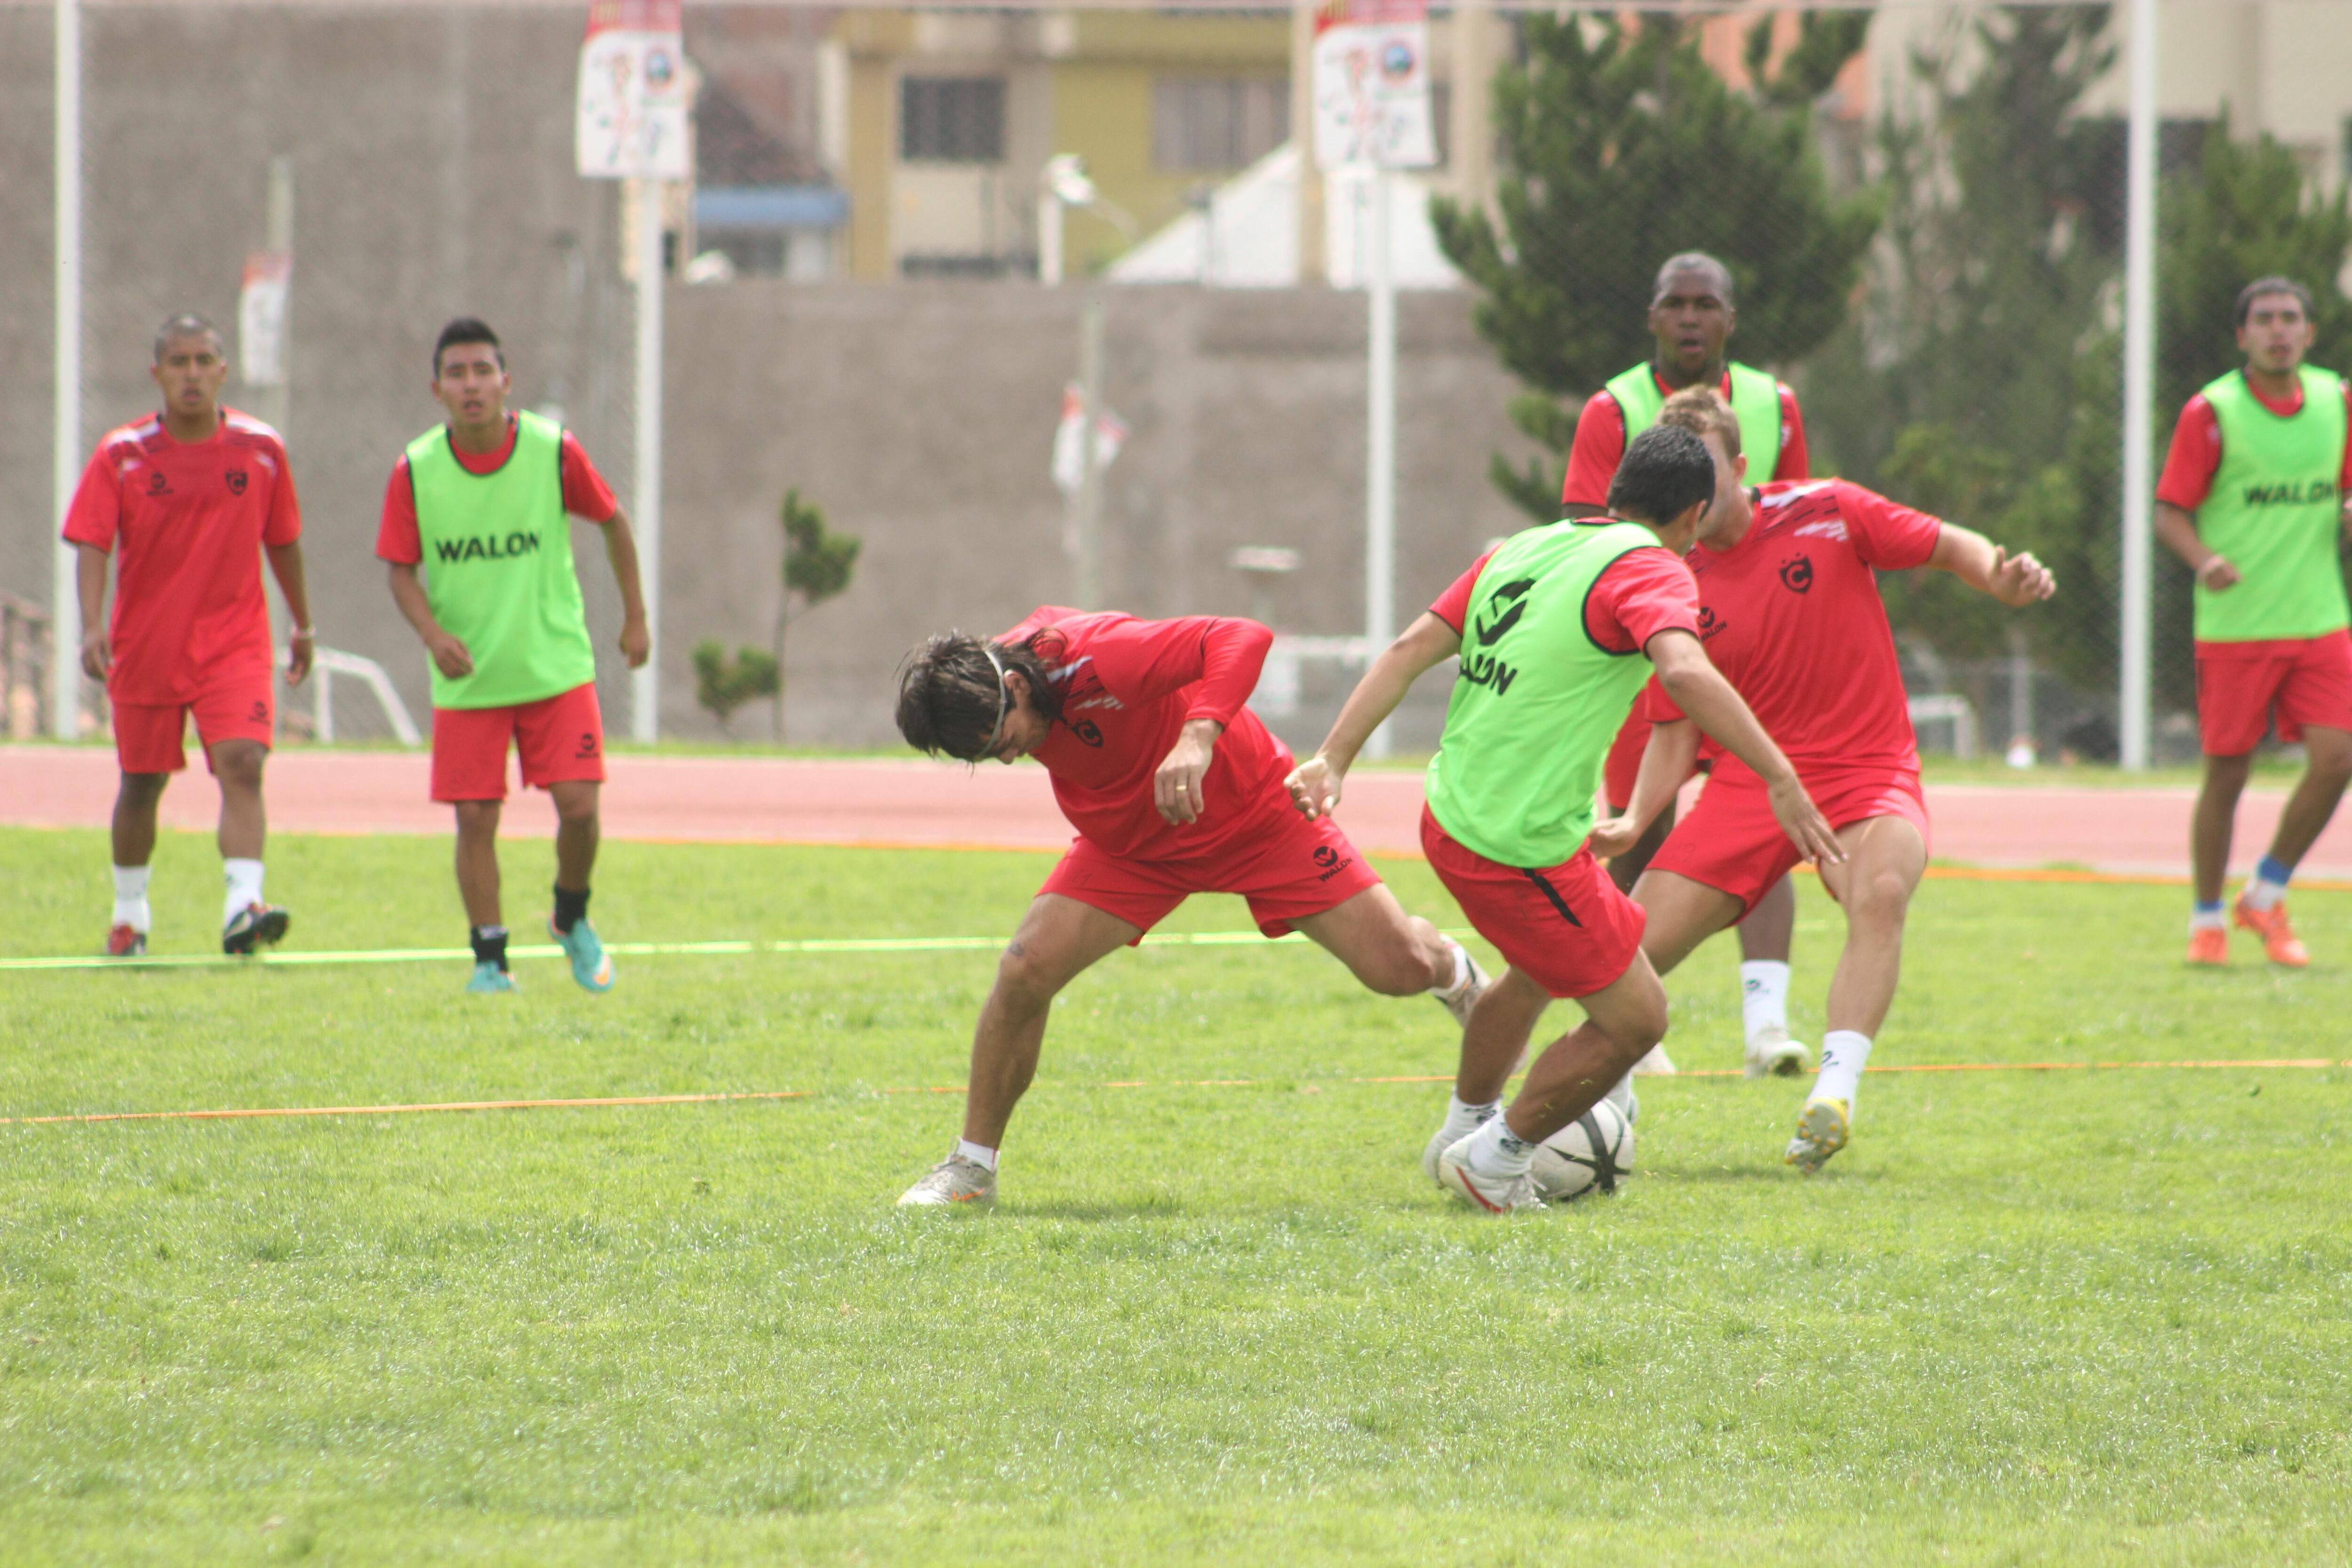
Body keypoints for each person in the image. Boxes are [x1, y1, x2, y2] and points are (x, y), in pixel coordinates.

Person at [1287, 424, 1843, 1214]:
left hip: (1455, 818)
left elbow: (1412, 646)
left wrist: (1334, 757)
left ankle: (1462, 1129)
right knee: (1639, 1018)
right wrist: (1781, 776)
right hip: (1518, 848)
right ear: (1694, 515)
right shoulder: (1650, 566)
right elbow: (1683, 669)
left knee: (1537, 975)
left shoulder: (1524, 547)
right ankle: (1498, 1157)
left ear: (1615, 490)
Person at [890, 607, 1489, 1207]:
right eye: (985, 755)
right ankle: (972, 1171)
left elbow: (1242, 635)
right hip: (1131, 848)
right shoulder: (983, 685)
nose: (1007, 758)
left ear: (1016, 687)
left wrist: (1197, 734)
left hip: (1259, 821)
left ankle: (1459, 978)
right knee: (1023, 971)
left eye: (1002, 739)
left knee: (1401, 968)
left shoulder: (1097, 654)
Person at [1602, 390, 2054, 1175]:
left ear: (1740, 468)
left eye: (1706, 473)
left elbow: (1951, 546)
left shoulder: (1832, 510)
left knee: (1881, 891)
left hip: (1864, 770)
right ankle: (1604, 1098)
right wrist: (1638, 816)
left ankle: (1833, 1095)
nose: (1693, 498)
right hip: (1748, 788)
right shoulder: (1669, 576)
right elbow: (1672, 729)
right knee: (1620, 954)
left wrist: (1999, 576)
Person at [1563, 251, 1813, 1079]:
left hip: (1751, 655)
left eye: (1707, 303)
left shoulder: (1776, 406)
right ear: (1654, 317)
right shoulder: (1615, 408)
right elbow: (1584, 529)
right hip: (1648, 651)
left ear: (1730, 319)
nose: (1691, 317)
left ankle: (1766, 1025)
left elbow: (1799, 517)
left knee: (1761, 833)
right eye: (1676, 302)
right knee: (1639, 828)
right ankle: (1631, 1021)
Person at [377, 318, 649, 994]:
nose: (472, 386)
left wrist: (636, 617)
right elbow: (400, 571)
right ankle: (490, 960)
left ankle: (570, 917)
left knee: (580, 808)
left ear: (507, 381)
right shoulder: (416, 469)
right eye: (457, 374)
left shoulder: (553, 451)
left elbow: (614, 520)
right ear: (437, 388)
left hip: (555, 667)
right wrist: (433, 636)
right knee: (475, 817)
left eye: (483, 372)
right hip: (471, 678)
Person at [65, 313, 313, 958]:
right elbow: (92, 540)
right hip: (148, 646)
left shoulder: (261, 450)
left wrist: (304, 624)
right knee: (142, 782)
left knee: (244, 763)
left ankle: (243, 905)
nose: (193, 374)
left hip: (235, 643)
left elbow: (283, 540)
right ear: (158, 375)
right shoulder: (122, 454)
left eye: (205, 360)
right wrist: (91, 624)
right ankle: (130, 916)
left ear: (224, 370)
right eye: (179, 363)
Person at [2152, 276, 2352, 968]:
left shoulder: (2337, 400)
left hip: (2321, 618)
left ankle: (2265, 895)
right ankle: (2207, 917)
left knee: (2338, 759)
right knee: (2228, 775)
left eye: (2291, 318)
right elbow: (2169, 510)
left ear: (2310, 332)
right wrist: (2204, 558)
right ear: (2242, 336)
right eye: (2264, 319)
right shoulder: (2212, 412)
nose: (2279, 329)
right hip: (2237, 626)